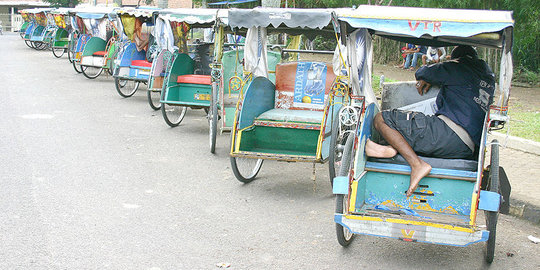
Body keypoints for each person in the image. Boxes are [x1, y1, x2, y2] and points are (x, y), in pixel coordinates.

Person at [366, 45, 495, 197]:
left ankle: (417, 165)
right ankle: (391, 148)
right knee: (409, 128)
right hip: (467, 148)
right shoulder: (488, 78)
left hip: (446, 134)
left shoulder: (457, 67)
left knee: (382, 119)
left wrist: (431, 77)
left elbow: (423, 72)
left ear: (456, 59)